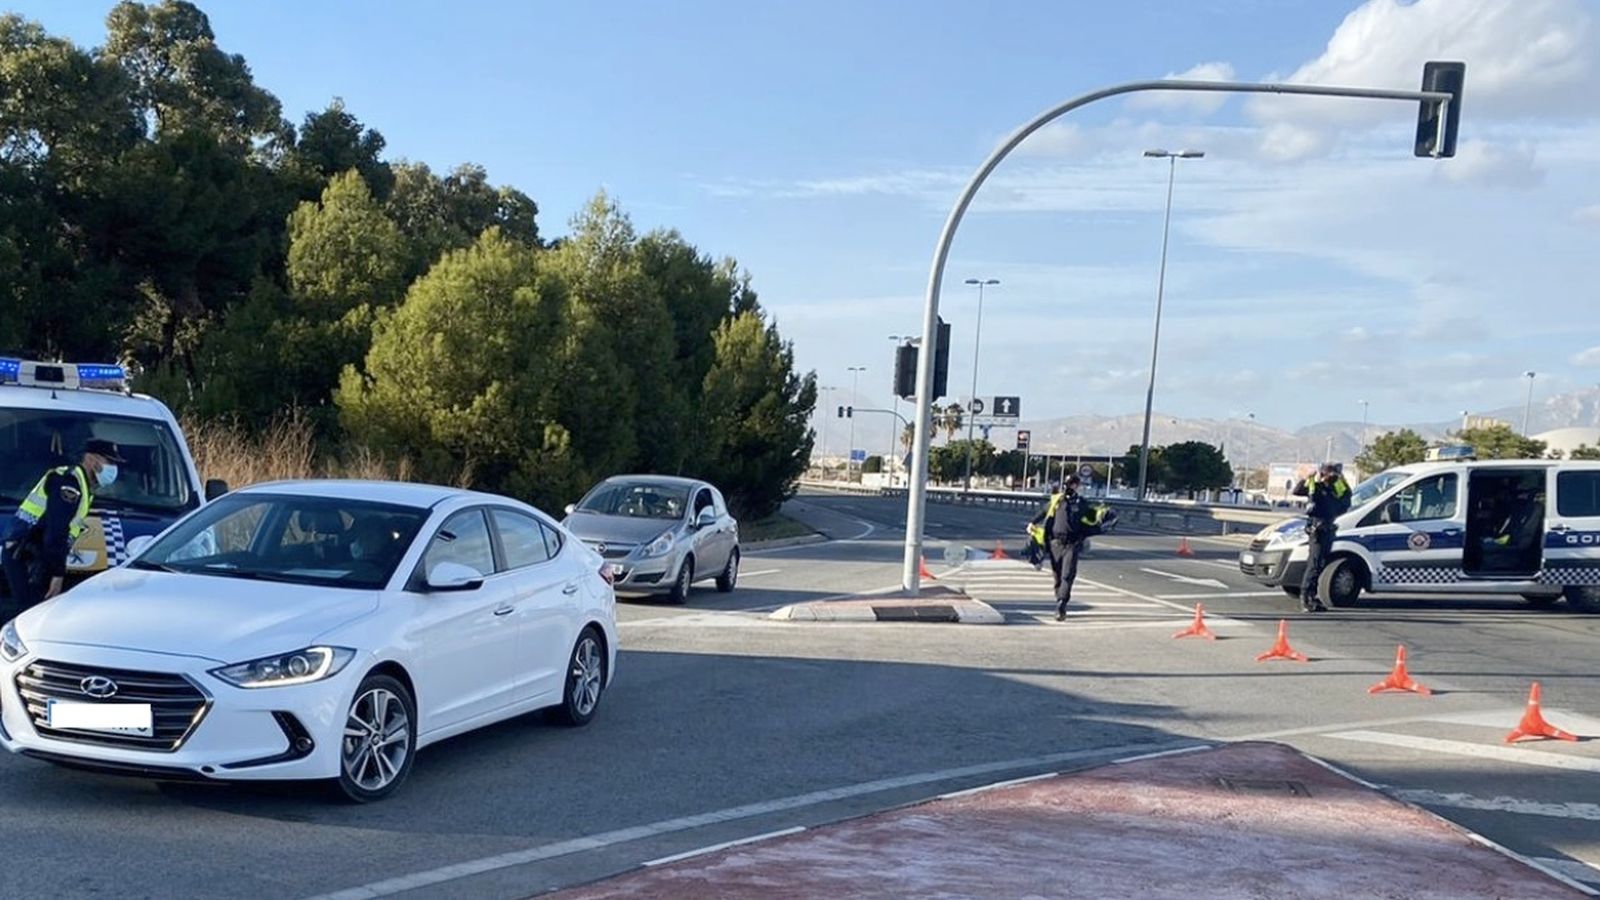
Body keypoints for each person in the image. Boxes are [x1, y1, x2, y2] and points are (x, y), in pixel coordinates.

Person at [2, 439, 125, 617]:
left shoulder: (79, 482)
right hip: (25, 556)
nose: (113, 468)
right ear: (91, 459)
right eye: (109, 462)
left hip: (33, 553)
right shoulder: (69, 484)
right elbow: (55, 532)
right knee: (30, 616)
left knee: (34, 613)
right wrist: (57, 575)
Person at [1292, 462, 1351, 612]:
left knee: (1321, 564)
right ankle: (1306, 597)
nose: (1331, 477)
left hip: (1328, 529)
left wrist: (1340, 479)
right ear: (1323, 474)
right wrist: (1308, 477)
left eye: (1334, 474)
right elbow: (1298, 491)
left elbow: (1347, 498)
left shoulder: (1335, 489)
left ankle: (1312, 595)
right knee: (1315, 564)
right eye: (1329, 473)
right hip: (1317, 529)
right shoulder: (1316, 487)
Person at [1049, 475, 1108, 622]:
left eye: (1071, 484)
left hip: (1072, 543)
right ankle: (1059, 598)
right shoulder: (1057, 500)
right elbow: (1046, 515)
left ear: (1076, 485)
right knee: (1057, 577)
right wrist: (1033, 524)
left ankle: (1061, 605)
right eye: (1067, 483)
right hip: (1056, 543)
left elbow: (1092, 518)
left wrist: (1103, 518)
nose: (1068, 486)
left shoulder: (1082, 503)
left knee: (1067, 575)